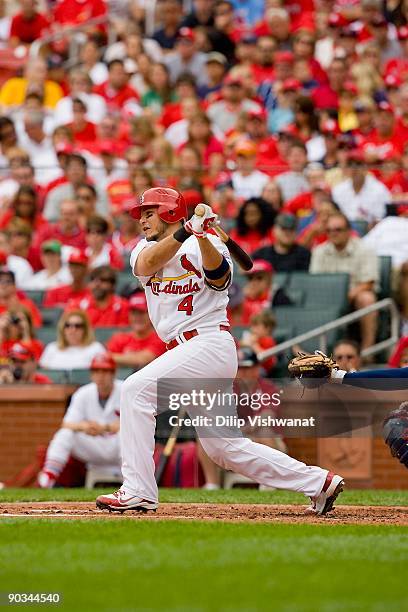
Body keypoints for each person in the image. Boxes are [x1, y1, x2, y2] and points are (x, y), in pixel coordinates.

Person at [96, 186, 344, 515]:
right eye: (141, 213)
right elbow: (146, 264)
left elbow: (220, 277)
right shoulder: (143, 248)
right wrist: (187, 231)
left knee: (135, 391)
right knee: (224, 449)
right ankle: (318, 483)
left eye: (149, 212)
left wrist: (200, 237)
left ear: (170, 212)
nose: (142, 219)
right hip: (187, 351)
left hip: (208, 343)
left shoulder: (209, 244)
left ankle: (139, 490)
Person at [197, 346, 287, 490]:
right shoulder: (228, 388)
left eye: (247, 368)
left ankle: (268, 484)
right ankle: (212, 484)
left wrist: (241, 429)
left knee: (264, 432)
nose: (243, 373)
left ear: (257, 368)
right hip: (236, 437)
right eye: (240, 368)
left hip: (266, 439)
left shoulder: (267, 388)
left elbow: (266, 417)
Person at [38, 353, 121, 489]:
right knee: (65, 433)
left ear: (113, 373)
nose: (101, 375)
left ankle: (134, 481)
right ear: (91, 374)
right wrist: (85, 426)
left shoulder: (125, 389)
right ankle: (49, 477)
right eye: (96, 371)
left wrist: (104, 427)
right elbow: (66, 423)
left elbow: (132, 424)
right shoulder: (83, 392)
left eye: (105, 371)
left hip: (118, 447)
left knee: (128, 434)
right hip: (94, 446)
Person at [310, 212, 379, 351]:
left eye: (338, 230)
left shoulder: (364, 249)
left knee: (367, 299)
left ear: (349, 231)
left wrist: (347, 295)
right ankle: (317, 351)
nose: (333, 234)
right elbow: (314, 281)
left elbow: (369, 282)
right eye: (329, 230)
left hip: (355, 294)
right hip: (327, 295)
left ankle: (368, 350)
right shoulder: (319, 251)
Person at [106, 292, 165, 368]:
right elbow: (104, 359)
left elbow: (143, 359)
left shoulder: (160, 338)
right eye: (134, 313)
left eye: (141, 313)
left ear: (151, 314)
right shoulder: (119, 338)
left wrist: (115, 357)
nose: (137, 317)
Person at [332, 151, 391, 224]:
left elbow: (382, 218)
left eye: (358, 164)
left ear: (365, 167)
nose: (354, 168)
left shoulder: (379, 189)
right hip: (346, 229)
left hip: (372, 229)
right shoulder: (339, 189)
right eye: (350, 164)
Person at [39, 309, 106, 370]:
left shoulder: (96, 348)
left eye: (78, 326)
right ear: (63, 329)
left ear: (85, 329)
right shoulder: (52, 348)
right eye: (68, 325)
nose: (73, 330)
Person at [240, 259, 292, 326]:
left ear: (270, 279)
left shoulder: (279, 297)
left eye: (259, 278)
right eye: (250, 278)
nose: (254, 282)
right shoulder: (241, 297)